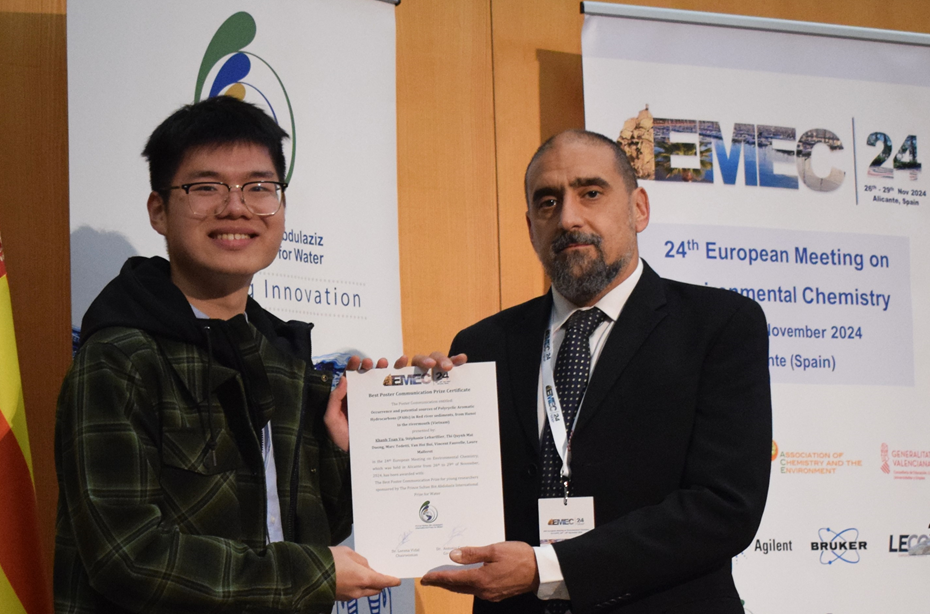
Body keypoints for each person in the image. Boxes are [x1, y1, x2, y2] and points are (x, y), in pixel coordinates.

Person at [54, 96, 458, 613]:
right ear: (158, 211)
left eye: (259, 187)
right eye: (206, 187)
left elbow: (307, 529)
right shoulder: (119, 359)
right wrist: (312, 573)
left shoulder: (279, 358)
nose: (236, 207)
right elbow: (127, 558)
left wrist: (360, 449)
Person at [420, 130, 772, 613]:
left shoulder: (719, 325)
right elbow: (452, 501)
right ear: (530, 227)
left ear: (638, 209)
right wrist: (407, 423)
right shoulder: (482, 346)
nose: (568, 218)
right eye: (548, 202)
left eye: (590, 193)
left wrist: (550, 568)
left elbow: (724, 507)